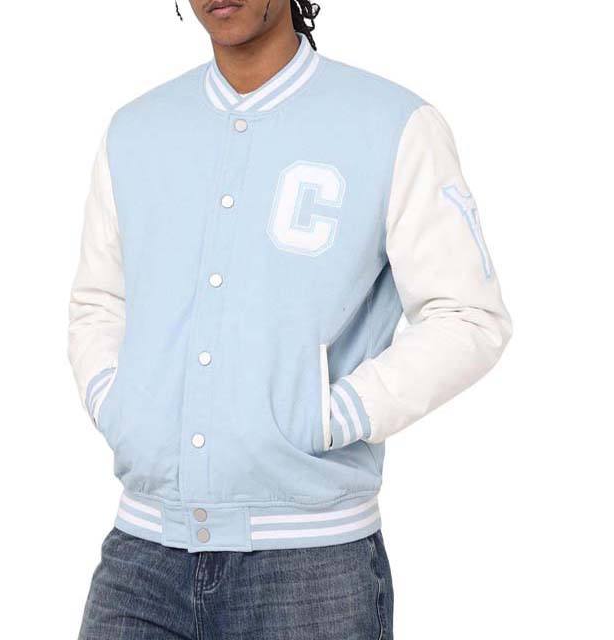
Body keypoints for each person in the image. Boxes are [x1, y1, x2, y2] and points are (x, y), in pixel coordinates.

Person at [69, 1, 512, 637]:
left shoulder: (391, 124)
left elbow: (468, 315)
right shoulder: (135, 131)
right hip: (142, 552)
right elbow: (97, 302)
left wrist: (334, 415)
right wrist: (121, 407)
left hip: (311, 568)